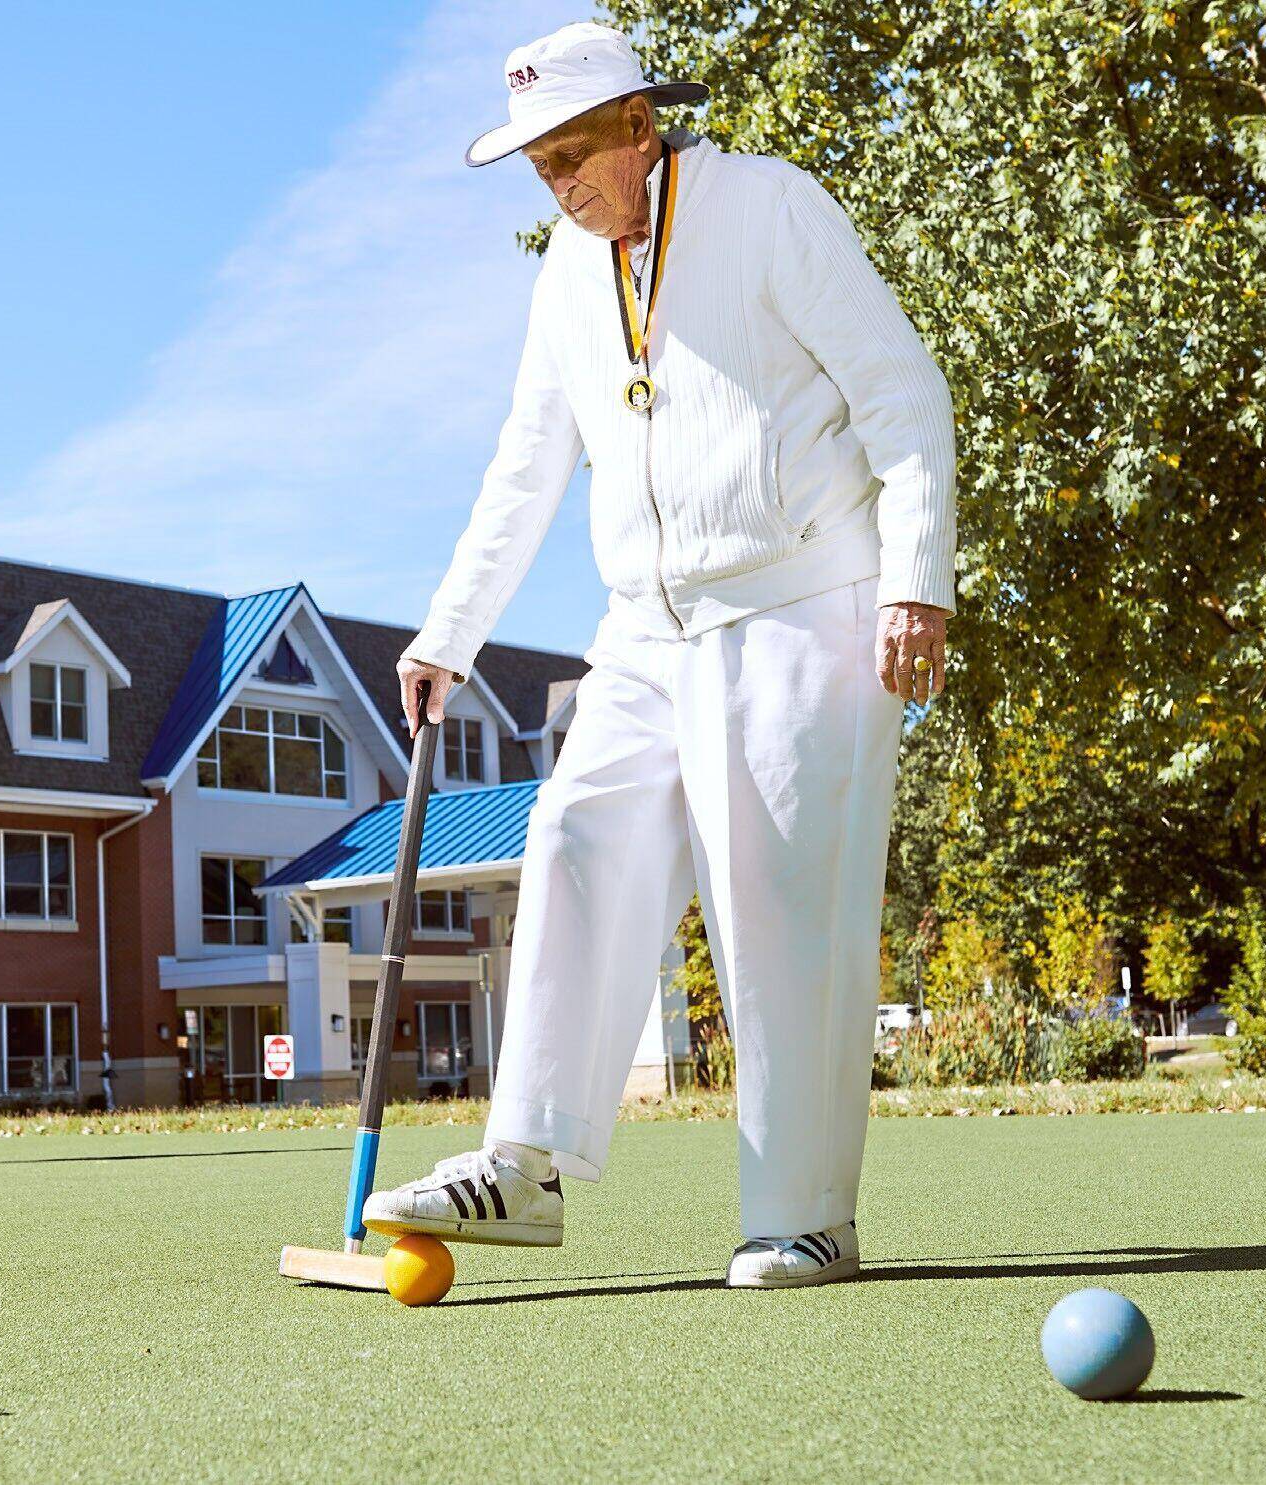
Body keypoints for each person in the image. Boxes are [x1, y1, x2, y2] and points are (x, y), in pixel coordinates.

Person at [364, 22, 956, 1288]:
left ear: (640, 126)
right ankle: (523, 1165)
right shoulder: (564, 279)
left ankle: (803, 1216)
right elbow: (526, 466)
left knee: (779, 905)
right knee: (574, 840)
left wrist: (919, 583)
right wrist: (447, 633)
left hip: (806, 599)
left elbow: (903, 396)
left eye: (573, 153)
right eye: (538, 168)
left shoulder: (771, 209)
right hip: (642, 623)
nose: (560, 184)